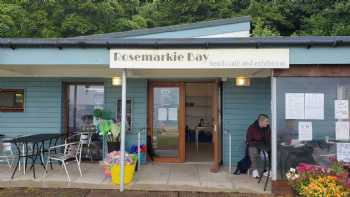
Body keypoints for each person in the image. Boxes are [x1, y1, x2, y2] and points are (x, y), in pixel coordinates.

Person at [246, 114, 271, 178]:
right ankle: (255, 171)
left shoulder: (267, 128)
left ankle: (268, 170)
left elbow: (269, 139)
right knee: (253, 151)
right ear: (261, 121)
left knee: (272, 151)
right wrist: (258, 144)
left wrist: (268, 147)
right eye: (266, 121)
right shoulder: (252, 128)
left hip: (264, 145)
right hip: (254, 145)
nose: (268, 123)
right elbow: (248, 141)